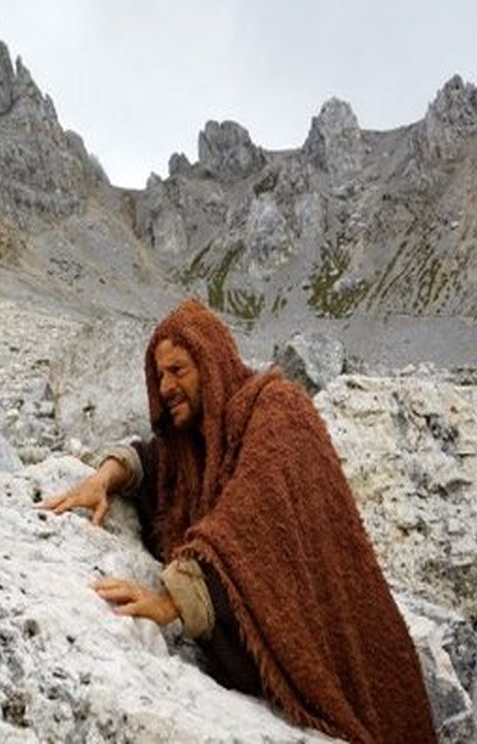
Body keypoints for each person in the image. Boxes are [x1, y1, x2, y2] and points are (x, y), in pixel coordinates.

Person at [40, 298, 435, 744]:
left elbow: (254, 517)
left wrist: (171, 603)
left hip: (345, 642)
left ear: (210, 362)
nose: (166, 386)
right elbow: (157, 463)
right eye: (159, 374)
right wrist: (107, 475)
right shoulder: (195, 445)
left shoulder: (277, 408)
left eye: (179, 370)